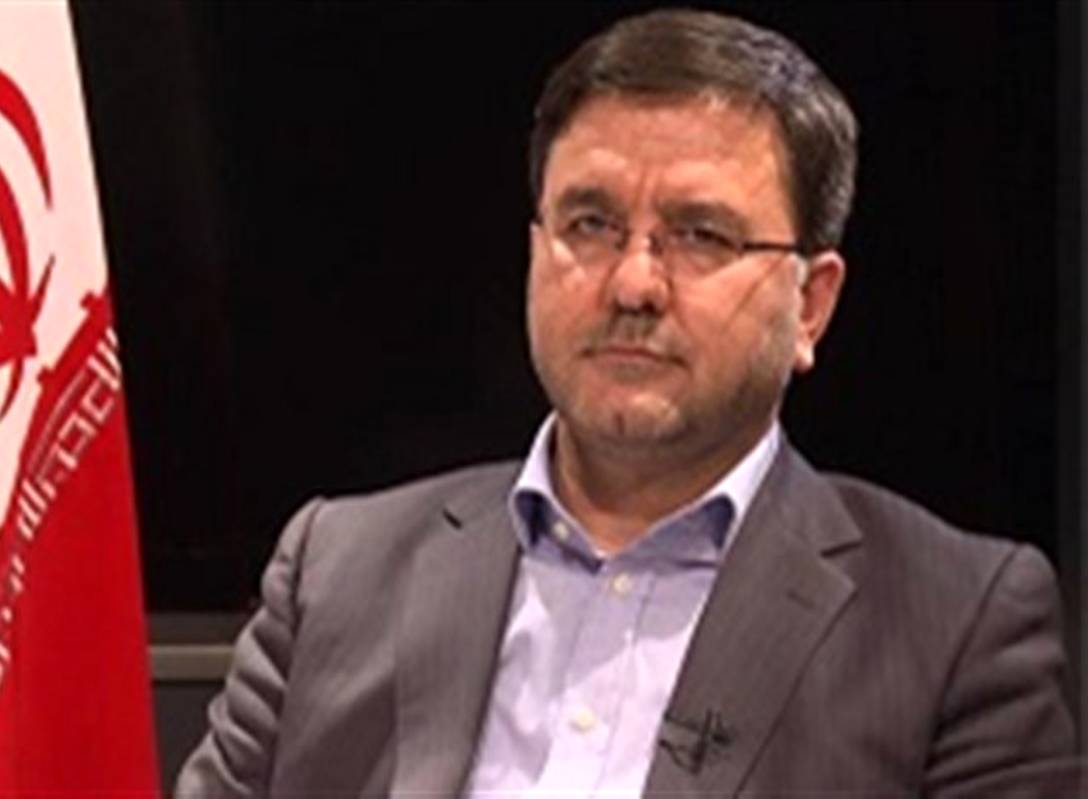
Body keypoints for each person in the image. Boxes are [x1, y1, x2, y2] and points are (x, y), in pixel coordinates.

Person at [176, 8, 1082, 797]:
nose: (634, 283)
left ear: (811, 305)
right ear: (535, 253)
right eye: (590, 225)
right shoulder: (335, 569)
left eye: (701, 235)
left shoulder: (956, 624)